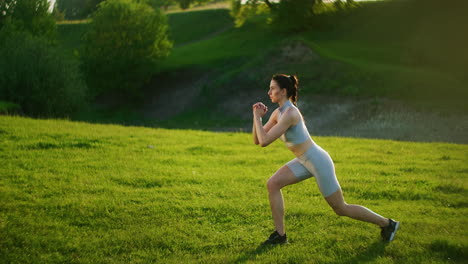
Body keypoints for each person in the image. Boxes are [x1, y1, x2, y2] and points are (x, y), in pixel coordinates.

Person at [252, 74, 399, 245]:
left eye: (272, 88)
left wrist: (257, 116)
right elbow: (257, 139)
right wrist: (257, 117)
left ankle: (388, 224)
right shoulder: (278, 113)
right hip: (303, 160)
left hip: (317, 161)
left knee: (340, 208)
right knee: (273, 184)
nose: (269, 92)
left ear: (283, 91)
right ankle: (280, 235)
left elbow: (264, 141)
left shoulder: (290, 113)